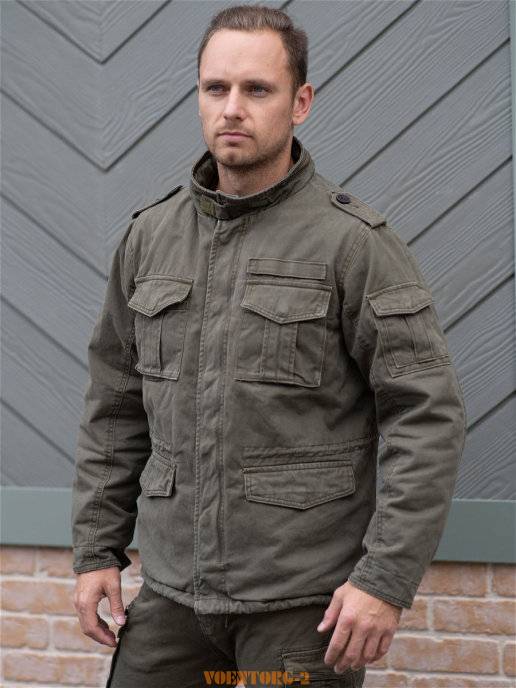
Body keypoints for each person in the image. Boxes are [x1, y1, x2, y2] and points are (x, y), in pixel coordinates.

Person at [71, 5, 467, 687]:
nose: (232, 108)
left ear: (300, 103)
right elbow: (116, 406)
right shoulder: (149, 239)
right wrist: (95, 550)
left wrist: (384, 579)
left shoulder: (354, 246)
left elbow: (426, 417)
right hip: (170, 603)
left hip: (299, 611)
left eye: (257, 89)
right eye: (215, 88)